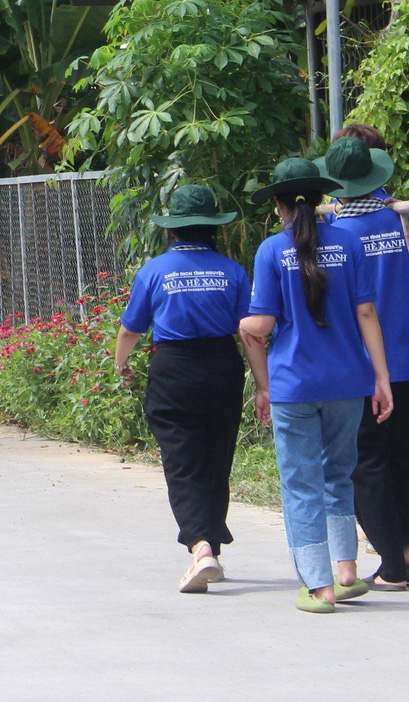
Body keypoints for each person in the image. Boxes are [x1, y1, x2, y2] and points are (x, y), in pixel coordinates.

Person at [239, 156, 394, 614]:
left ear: (279, 206)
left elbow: (262, 323)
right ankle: (347, 571)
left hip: (294, 385)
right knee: (338, 473)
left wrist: (244, 321)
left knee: (301, 482)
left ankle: (318, 587)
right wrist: (381, 377)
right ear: (323, 197)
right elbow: (367, 313)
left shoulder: (271, 251)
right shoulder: (348, 242)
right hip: (348, 380)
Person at [111, 182, 265, 594]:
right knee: (216, 458)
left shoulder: (155, 270)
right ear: (212, 227)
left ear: (173, 229)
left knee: (182, 460)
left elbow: (130, 328)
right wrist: (262, 386)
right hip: (222, 368)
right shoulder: (232, 270)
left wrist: (120, 362)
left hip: (173, 369)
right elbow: (250, 333)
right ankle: (210, 544)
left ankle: (200, 547)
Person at [324, 128, 409, 590]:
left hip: (361, 368)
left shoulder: (333, 230)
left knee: (365, 460)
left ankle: (392, 562)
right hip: (408, 356)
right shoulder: (407, 222)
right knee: (401, 455)